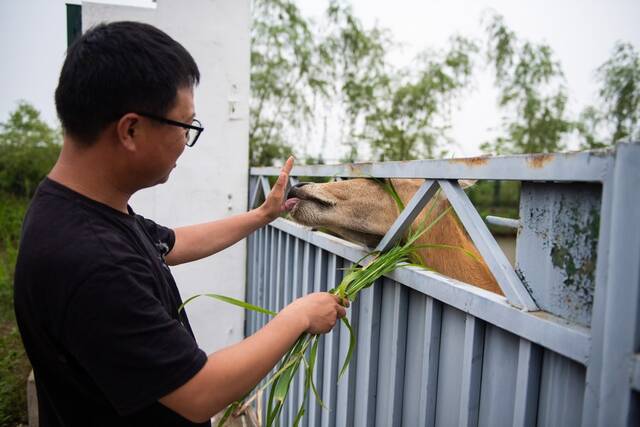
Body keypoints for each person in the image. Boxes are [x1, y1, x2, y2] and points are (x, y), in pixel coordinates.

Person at [13, 21, 347, 426]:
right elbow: (199, 392)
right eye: (186, 126)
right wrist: (298, 317)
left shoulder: (77, 210)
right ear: (131, 129)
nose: (186, 143)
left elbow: (172, 243)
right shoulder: (90, 260)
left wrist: (262, 215)